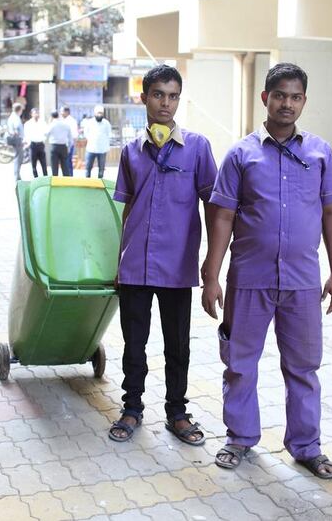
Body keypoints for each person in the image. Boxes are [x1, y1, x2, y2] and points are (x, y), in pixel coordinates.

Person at [201, 63, 332, 477]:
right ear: (265, 98)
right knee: (240, 362)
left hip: (302, 282)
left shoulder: (319, 153)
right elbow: (223, 217)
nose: (287, 103)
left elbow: (331, 214)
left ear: (303, 101)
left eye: (295, 96)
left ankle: (305, 446)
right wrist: (211, 276)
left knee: (303, 366)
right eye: (279, 95)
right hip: (249, 278)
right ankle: (240, 438)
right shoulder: (241, 154)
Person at [108, 65, 218, 446]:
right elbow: (126, 209)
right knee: (133, 343)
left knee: (178, 345)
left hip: (177, 267)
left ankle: (177, 412)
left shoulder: (199, 149)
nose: (165, 103)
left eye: (172, 96)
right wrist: (118, 261)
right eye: (158, 94)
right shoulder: (130, 153)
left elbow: (215, 207)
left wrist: (212, 264)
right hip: (135, 265)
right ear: (144, 98)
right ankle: (131, 408)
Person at [82, 105, 112, 179]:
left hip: (102, 149)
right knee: (88, 168)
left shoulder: (106, 123)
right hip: (91, 149)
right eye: (98, 113)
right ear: (95, 113)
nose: (99, 114)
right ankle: (87, 184)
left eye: (101, 113)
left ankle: (100, 186)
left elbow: (109, 134)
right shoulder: (89, 122)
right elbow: (86, 133)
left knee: (101, 170)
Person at [47, 110, 72, 177]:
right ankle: (67, 182)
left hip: (54, 146)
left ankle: (55, 182)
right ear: (58, 116)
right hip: (63, 146)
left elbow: (46, 133)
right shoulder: (65, 124)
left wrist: (49, 123)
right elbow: (70, 137)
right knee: (65, 166)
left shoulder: (52, 124)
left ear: (51, 117)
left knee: (54, 167)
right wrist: (69, 147)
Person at [24, 108, 48, 178]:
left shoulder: (43, 123)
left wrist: (43, 140)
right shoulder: (28, 124)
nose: (37, 114)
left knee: (44, 164)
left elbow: (46, 133)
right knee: (33, 165)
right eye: (35, 113)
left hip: (41, 145)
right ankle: (36, 179)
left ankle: (45, 179)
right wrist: (28, 143)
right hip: (33, 145)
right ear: (31, 114)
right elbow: (26, 135)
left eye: (38, 113)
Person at [6, 102, 25, 181]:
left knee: (18, 157)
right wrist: (17, 132)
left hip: (14, 138)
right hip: (17, 139)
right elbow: (16, 127)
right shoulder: (16, 117)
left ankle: (17, 175)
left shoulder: (12, 116)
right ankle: (17, 176)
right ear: (19, 110)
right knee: (18, 158)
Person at [61, 106, 78, 175]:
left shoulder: (71, 121)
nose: (61, 113)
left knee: (68, 161)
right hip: (63, 144)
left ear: (67, 112)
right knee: (65, 162)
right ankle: (66, 176)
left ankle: (69, 177)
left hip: (69, 144)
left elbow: (74, 134)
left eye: (62, 111)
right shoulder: (63, 120)